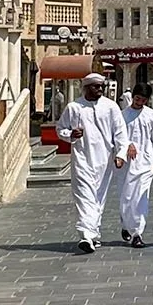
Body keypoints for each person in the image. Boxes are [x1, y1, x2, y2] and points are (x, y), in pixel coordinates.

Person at [55, 73, 128, 253]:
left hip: (104, 160)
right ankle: (86, 235)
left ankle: (93, 234)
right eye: (96, 87)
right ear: (86, 88)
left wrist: (120, 154)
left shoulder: (111, 107)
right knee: (84, 196)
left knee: (98, 198)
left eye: (101, 86)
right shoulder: (74, 107)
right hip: (82, 159)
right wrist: (70, 135)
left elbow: (120, 133)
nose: (100, 90)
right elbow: (60, 129)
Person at [118, 82, 153, 249]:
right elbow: (117, 137)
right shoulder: (122, 116)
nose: (140, 102)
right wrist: (127, 145)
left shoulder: (151, 115)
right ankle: (126, 223)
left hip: (146, 161)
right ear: (133, 97)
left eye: (143, 100)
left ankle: (137, 233)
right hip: (127, 163)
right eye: (138, 99)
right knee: (128, 196)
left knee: (141, 197)